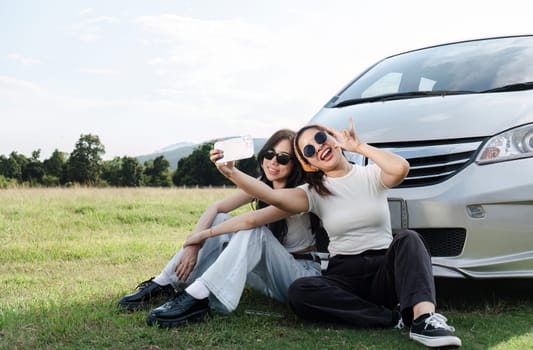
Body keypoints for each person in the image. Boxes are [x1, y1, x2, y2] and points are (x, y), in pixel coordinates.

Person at [210, 118, 462, 348]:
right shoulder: (312, 192)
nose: (319, 148)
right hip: (344, 274)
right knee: (300, 291)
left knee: (409, 238)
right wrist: (232, 172)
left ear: (332, 138)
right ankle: (389, 318)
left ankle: (424, 320)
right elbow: (271, 195)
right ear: (309, 164)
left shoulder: (370, 174)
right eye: (309, 150)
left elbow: (401, 168)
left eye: (320, 138)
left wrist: (359, 147)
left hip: (384, 268)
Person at [118, 129, 325, 328]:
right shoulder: (265, 184)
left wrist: (199, 236)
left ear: (295, 164)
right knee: (221, 219)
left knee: (254, 231)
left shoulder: (301, 193)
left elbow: (250, 221)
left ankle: (199, 296)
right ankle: (165, 283)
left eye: (283, 158)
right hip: (271, 271)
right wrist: (193, 245)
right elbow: (216, 208)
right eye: (270, 154)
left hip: (300, 277)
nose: (273, 162)